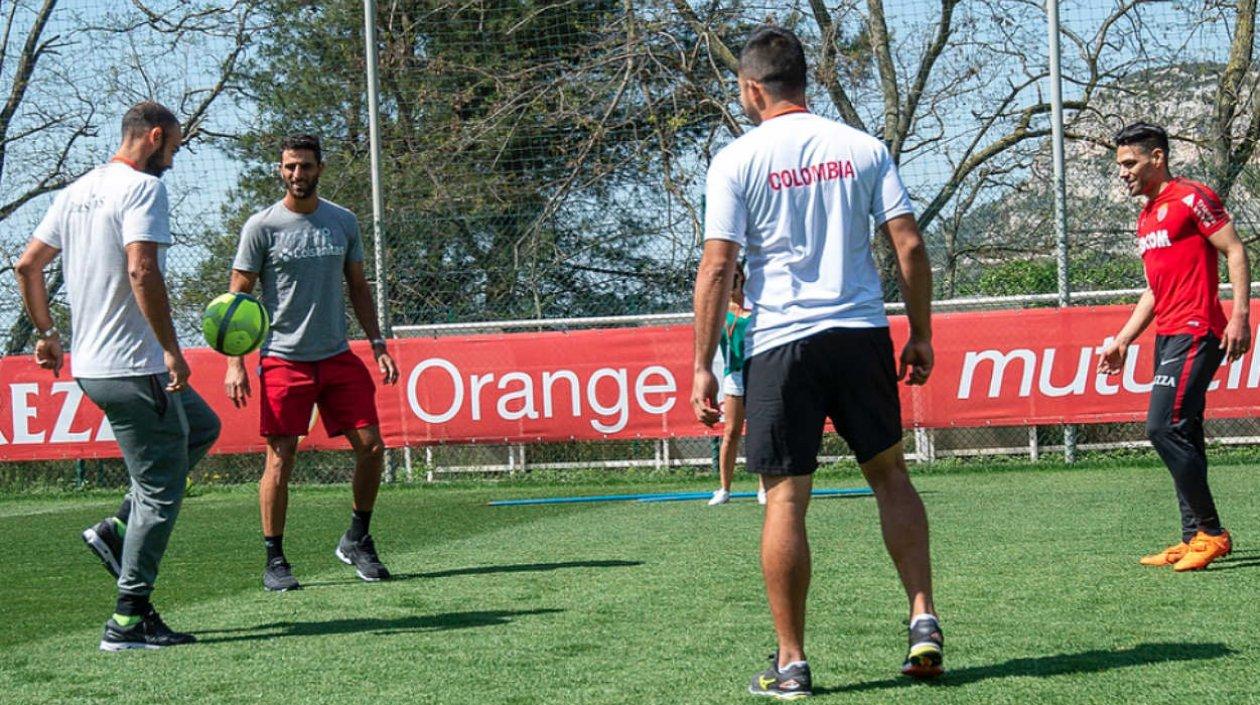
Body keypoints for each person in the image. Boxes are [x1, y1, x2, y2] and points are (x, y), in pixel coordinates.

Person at [690, 26, 941, 698]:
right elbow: (910, 247)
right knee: (890, 476)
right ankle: (922, 616)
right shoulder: (863, 147)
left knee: (785, 497)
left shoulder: (735, 159)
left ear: (750, 88)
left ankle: (793, 662)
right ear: (807, 80)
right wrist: (919, 332)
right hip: (859, 332)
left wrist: (703, 365)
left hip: (781, 343)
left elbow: (718, 265)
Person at [15, 101, 221, 650]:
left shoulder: (78, 189)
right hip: (134, 367)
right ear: (154, 137)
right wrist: (172, 350)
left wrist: (46, 332)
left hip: (94, 368)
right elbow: (141, 269)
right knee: (161, 491)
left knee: (201, 427)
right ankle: (127, 619)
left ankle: (114, 532)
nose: (173, 160)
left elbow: (27, 264)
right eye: (173, 148)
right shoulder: (144, 189)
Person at [225, 134, 399, 592]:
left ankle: (358, 538)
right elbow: (234, 301)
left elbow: (359, 287)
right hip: (283, 360)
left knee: (373, 447)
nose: (297, 175)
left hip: (338, 356)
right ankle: (275, 559)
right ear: (280, 171)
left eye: (305, 166)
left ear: (320, 168)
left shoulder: (342, 221)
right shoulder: (261, 227)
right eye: (289, 167)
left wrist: (377, 343)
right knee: (280, 460)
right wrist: (235, 363)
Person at [1098, 122, 1250, 572]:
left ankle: (1212, 531)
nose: (1123, 172)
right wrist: (1124, 339)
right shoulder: (1146, 216)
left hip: (1198, 330)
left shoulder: (1192, 198)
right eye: (1120, 165)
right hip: (1168, 333)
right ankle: (1194, 538)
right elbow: (1153, 290)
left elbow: (1236, 251)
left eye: (1130, 163)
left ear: (1157, 158)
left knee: (1161, 428)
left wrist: (1240, 315)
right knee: (1184, 431)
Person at [707, 265, 766, 506]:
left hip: (759, 373)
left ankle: (763, 488)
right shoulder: (719, 308)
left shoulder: (756, 303)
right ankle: (724, 488)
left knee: (760, 431)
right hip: (734, 375)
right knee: (731, 432)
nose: (730, 282)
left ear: (741, 278)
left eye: (734, 276)